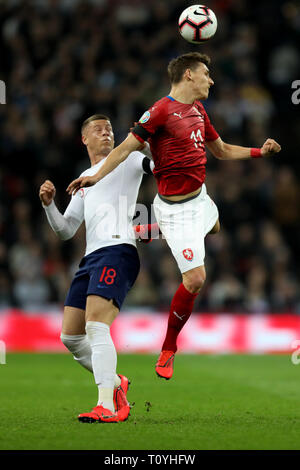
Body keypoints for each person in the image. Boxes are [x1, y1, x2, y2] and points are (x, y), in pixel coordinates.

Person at [67, 52, 281, 380]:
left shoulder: (198, 111)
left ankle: (198, 226)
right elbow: (125, 147)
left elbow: (220, 150)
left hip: (201, 198)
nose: (211, 79)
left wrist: (259, 152)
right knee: (196, 280)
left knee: (214, 224)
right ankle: (169, 347)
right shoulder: (159, 111)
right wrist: (95, 176)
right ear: (188, 76)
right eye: (206, 73)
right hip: (174, 210)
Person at [39, 114, 154, 423]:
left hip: (119, 251)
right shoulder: (85, 178)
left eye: (110, 129)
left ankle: (107, 405)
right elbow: (66, 230)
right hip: (91, 258)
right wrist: (50, 205)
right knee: (71, 337)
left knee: (96, 326)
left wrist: (150, 144)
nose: (106, 133)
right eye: (98, 130)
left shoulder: (128, 159)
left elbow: (158, 167)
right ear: (84, 139)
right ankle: (117, 383)